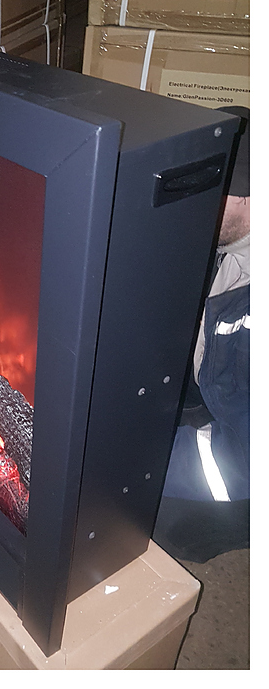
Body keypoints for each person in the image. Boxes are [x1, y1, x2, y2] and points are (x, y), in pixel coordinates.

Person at [153, 105, 250, 563]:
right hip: (232, 390)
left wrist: (144, 461)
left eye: (212, 192)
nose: (196, 205)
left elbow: (246, 460)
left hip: (249, 464)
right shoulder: (233, 239)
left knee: (152, 516)